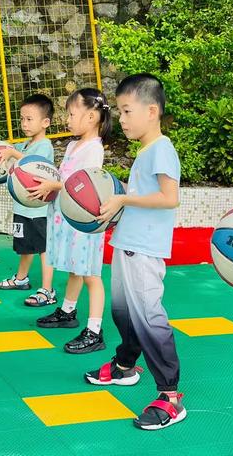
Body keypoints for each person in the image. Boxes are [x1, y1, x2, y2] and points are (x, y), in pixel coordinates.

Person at [84, 73, 186, 430]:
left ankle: (170, 396)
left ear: (152, 111)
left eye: (127, 112)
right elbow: (143, 199)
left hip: (144, 251)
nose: (121, 120)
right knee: (123, 313)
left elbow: (169, 198)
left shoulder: (162, 149)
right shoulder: (146, 150)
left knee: (149, 319)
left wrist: (124, 197)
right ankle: (126, 366)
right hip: (128, 246)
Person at [29, 88, 111, 354]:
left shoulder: (94, 150)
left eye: (72, 113)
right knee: (76, 269)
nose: (67, 119)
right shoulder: (75, 145)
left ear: (91, 117)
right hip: (69, 218)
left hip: (85, 221)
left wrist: (55, 184)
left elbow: (83, 186)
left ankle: (95, 331)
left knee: (90, 275)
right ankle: (67, 312)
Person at [0, 94, 56, 305]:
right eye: (22, 119)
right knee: (25, 245)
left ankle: (48, 289)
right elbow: (14, 164)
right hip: (22, 206)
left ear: (45, 122)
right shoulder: (25, 145)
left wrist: (13, 153)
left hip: (38, 208)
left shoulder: (44, 146)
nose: (24, 123)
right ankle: (21, 279)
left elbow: (34, 164)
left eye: (29, 119)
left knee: (44, 248)